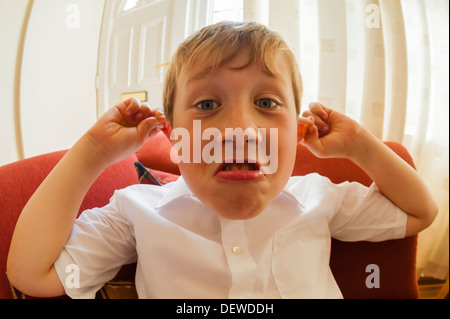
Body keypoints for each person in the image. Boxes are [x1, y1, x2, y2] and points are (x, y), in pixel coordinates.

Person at [7, 21, 437, 298]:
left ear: (299, 132)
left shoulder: (318, 197)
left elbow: (421, 212)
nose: (241, 129)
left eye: (267, 102)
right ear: (175, 137)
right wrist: (92, 153)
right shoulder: (136, 208)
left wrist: (360, 145)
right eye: (208, 105)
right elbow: (33, 276)